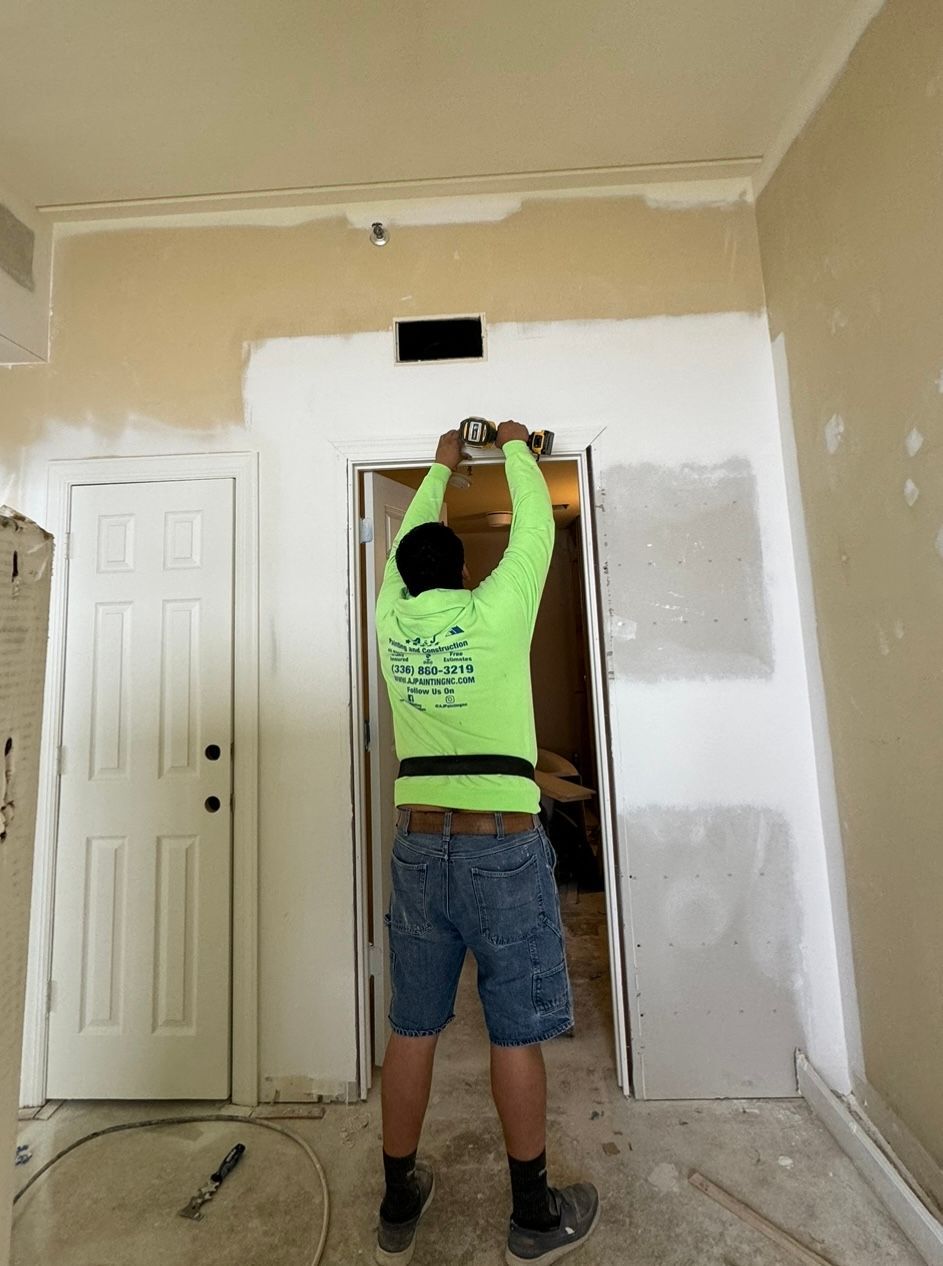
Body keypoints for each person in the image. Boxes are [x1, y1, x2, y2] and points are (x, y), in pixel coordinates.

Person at [373, 422, 599, 1266]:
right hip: (500, 847)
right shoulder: (496, 614)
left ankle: (398, 1203)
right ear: (464, 573)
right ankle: (533, 1216)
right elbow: (537, 528)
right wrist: (511, 448)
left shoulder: (389, 618)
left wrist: (435, 466)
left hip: (416, 846)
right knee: (513, 1030)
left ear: (400, 577)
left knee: (413, 1024)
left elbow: (405, 543)